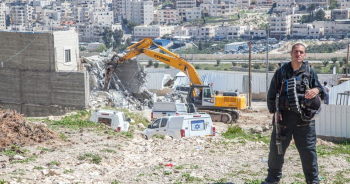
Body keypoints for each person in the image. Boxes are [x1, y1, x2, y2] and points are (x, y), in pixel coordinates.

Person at [262, 43, 324, 184]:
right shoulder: (281, 72)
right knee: (276, 151)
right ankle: (272, 179)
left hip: (304, 119)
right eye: (296, 51)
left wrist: (316, 90)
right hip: (284, 118)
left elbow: (320, 88)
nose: (298, 54)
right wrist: (275, 112)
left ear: (305, 54)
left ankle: (313, 181)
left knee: (308, 152)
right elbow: (272, 93)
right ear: (291, 53)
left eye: (301, 52)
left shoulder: (309, 71)